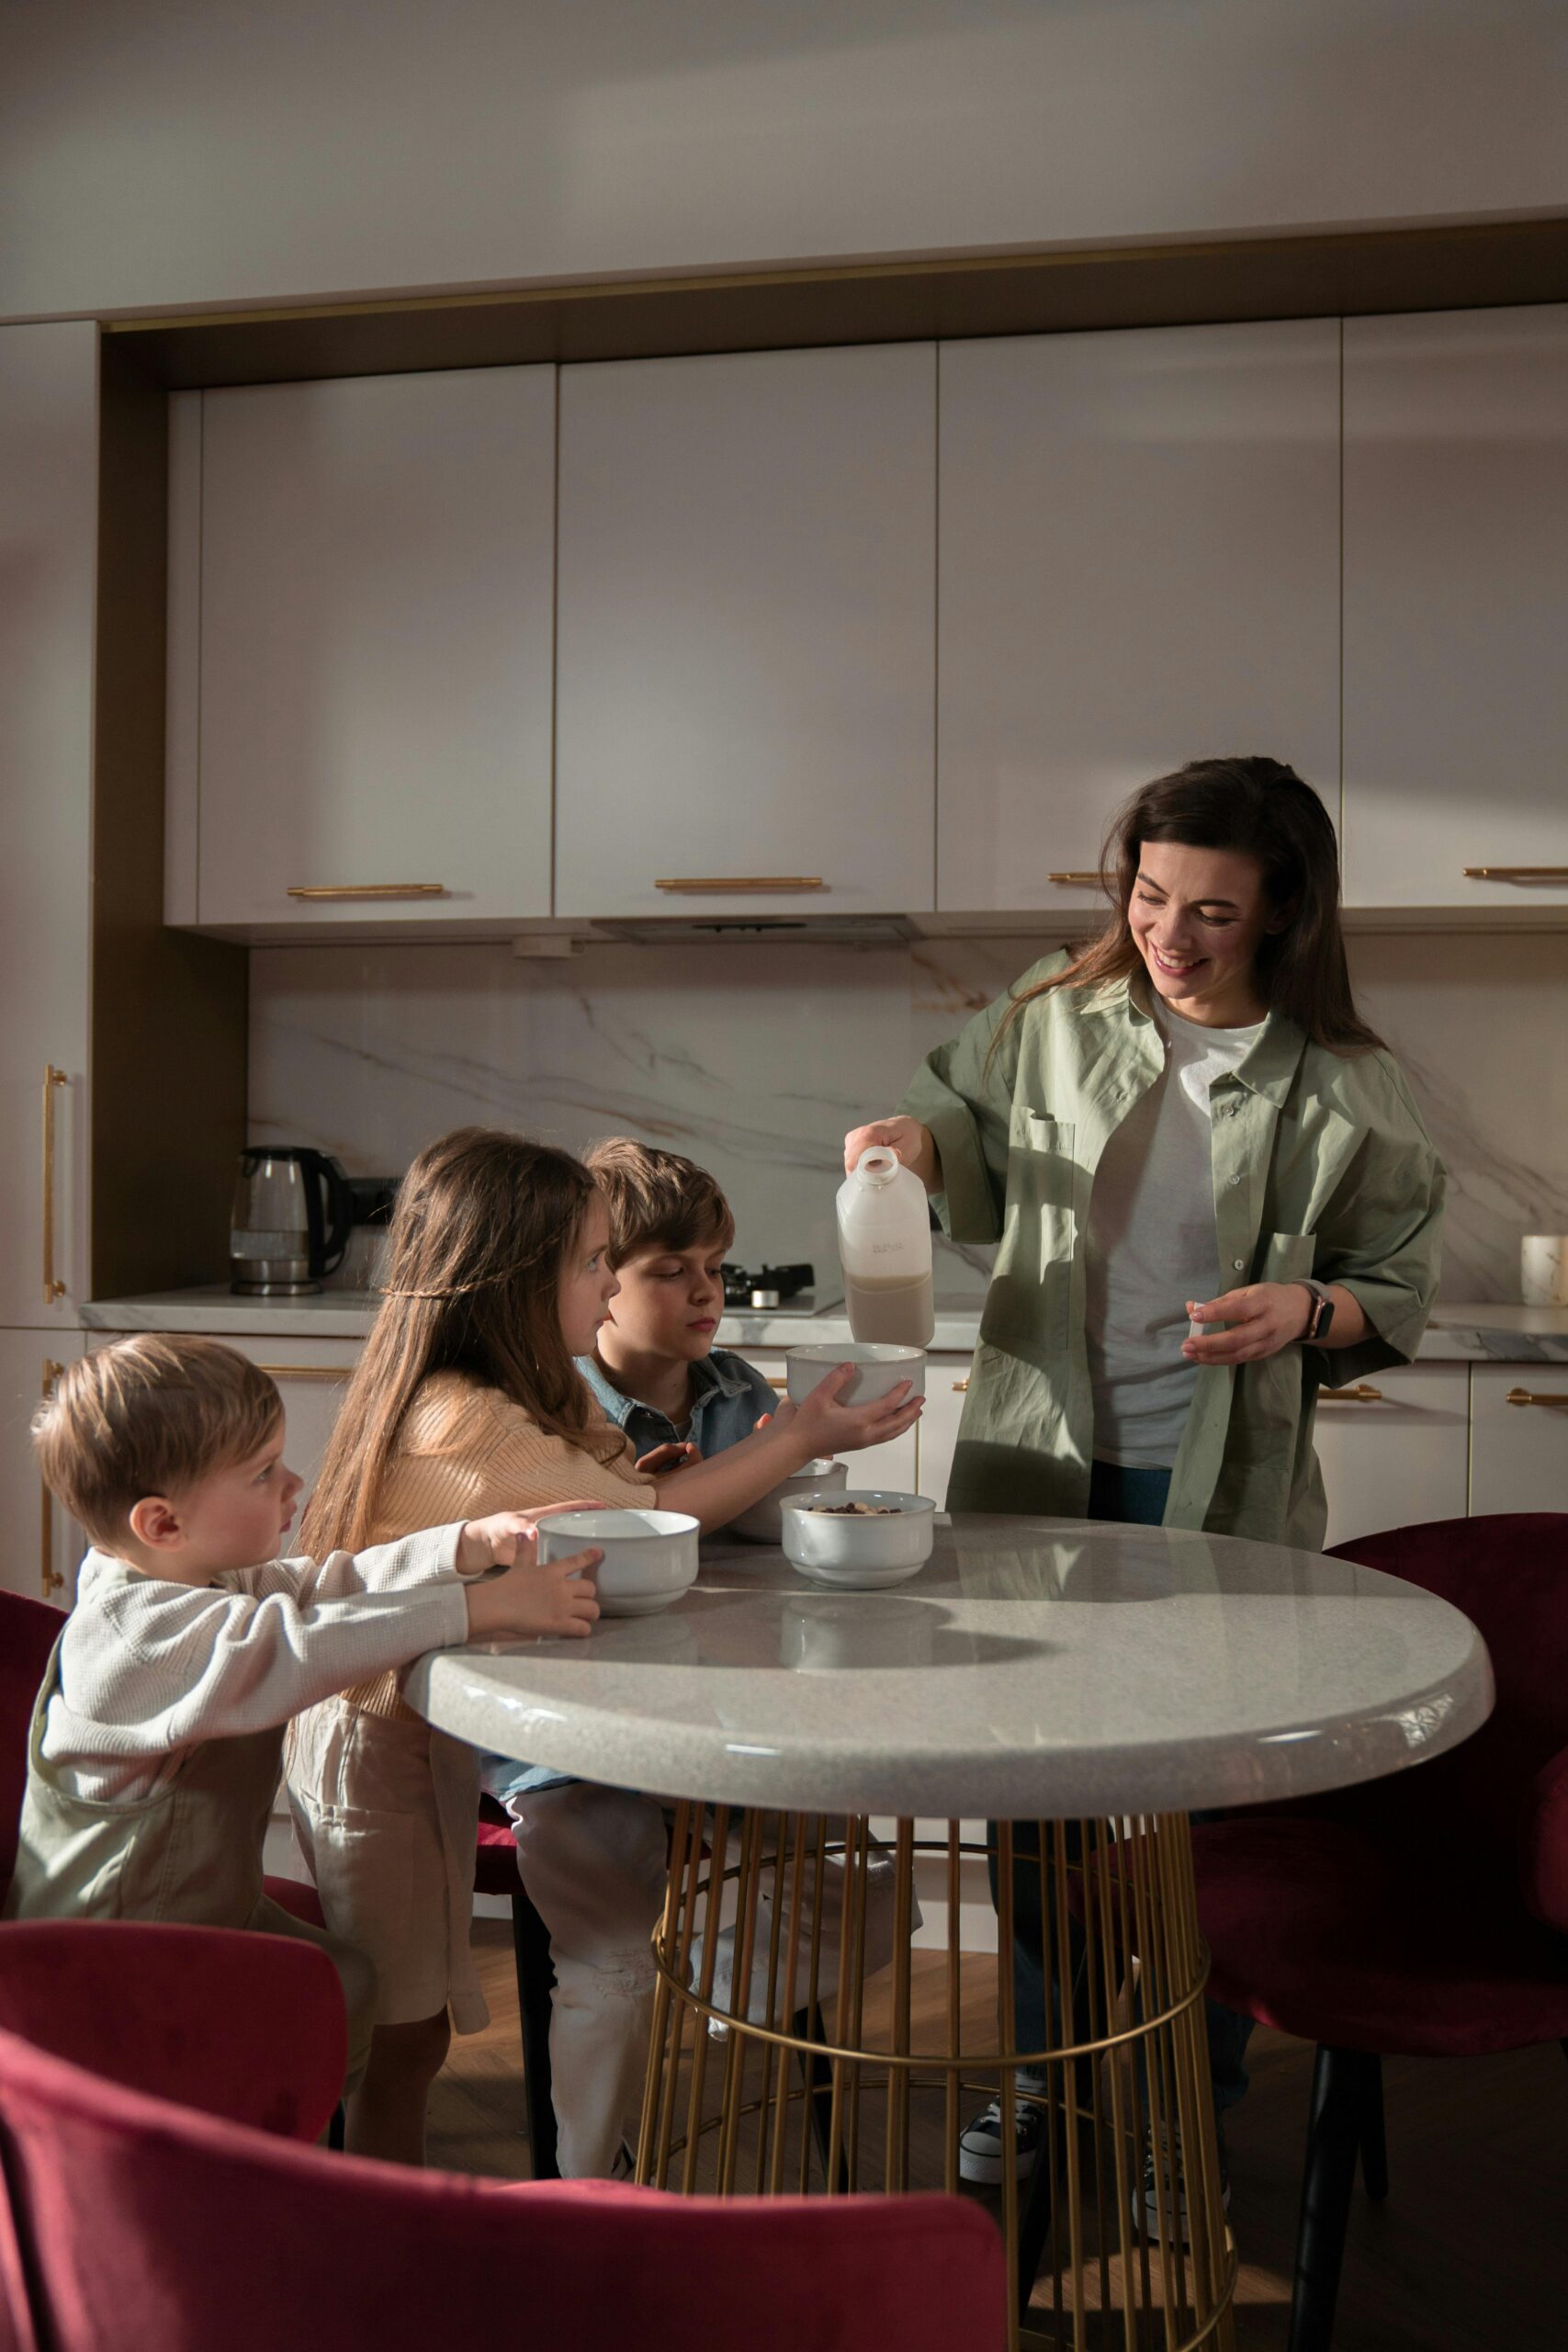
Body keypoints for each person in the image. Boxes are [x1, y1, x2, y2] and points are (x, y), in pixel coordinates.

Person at [845, 754, 1446, 2203]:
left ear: (1284, 917)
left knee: (1199, 1813)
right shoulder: (1051, 1012)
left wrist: (1306, 1313)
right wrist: (913, 1145)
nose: (1170, 937)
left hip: (1215, 1480)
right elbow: (959, 1121)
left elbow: (1396, 1280)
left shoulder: (1344, 1085)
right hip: (1032, 1464)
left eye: (1214, 915)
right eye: (1150, 896)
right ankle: (1050, 2087)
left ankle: (1186, 2097)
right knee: (1033, 1801)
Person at [288, 1125, 921, 2170]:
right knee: (396, 2042)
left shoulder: (516, 1393)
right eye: (593, 1262)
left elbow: (613, 1492)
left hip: (416, 1737)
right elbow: (643, 1512)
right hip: (371, 1753)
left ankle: (409, 2203)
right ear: (517, 1280)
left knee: (412, 2028)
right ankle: (370, 2230)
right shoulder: (465, 1421)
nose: (601, 1284)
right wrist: (798, 1437)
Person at [6, 1333, 600, 2106]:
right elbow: (300, 1645)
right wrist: (475, 1607)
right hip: (111, 1950)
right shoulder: (138, 1638)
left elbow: (321, 1586)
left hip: (201, 1908)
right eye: (262, 1475)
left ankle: (288, 2143)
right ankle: (239, 2153)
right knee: (318, 1998)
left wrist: (462, 1546)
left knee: (345, 1982)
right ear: (161, 1523)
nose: (294, 1486)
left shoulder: (201, 1575)